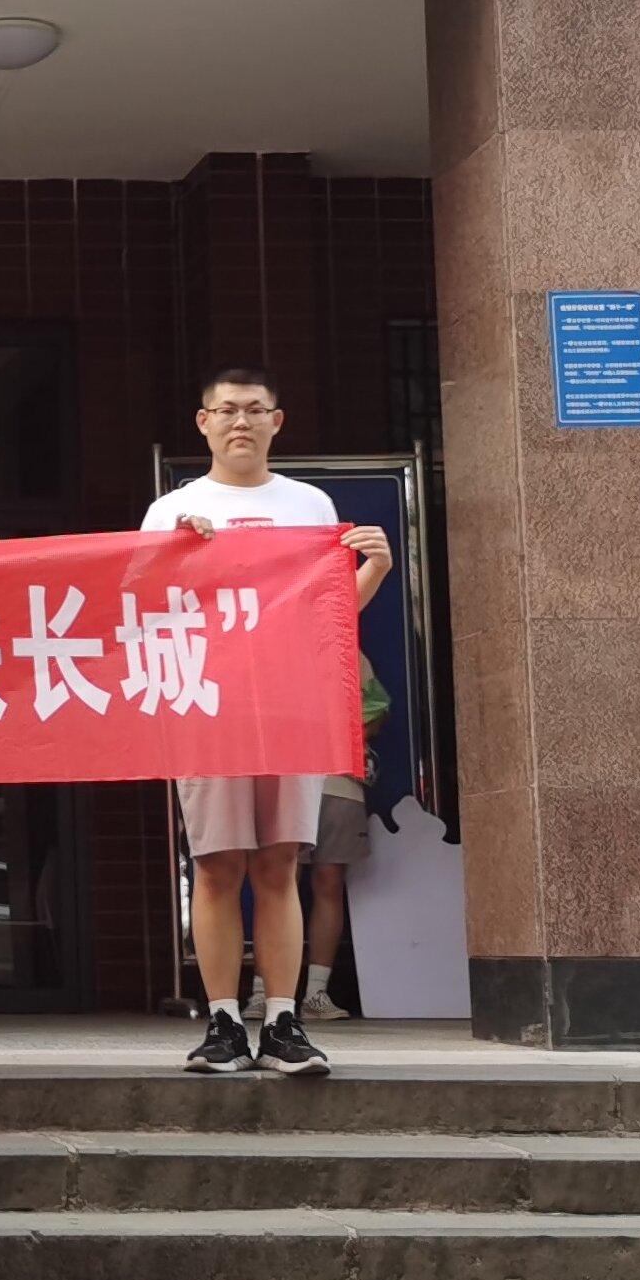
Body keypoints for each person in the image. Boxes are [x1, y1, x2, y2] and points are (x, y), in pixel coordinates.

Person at [144, 367, 389, 1077]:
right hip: (208, 706)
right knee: (217, 865)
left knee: (280, 862)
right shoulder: (172, 510)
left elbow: (326, 616)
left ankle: (282, 1020)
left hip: (289, 705)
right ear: (203, 422)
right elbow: (143, 607)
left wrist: (373, 571)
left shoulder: (309, 504)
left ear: (276, 421)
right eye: (226, 411)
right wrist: (176, 554)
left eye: (254, 410)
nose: (240, 422)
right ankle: (223, 1021)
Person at [297, 656, 391, 1023]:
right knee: (276, 880)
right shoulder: (265, 636)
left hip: (338, 780)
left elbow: (378, 708)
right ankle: (265, 991)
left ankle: (315, 993)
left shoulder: (344, 647)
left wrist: (344, 734)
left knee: (329, 880)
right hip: (282, 779)